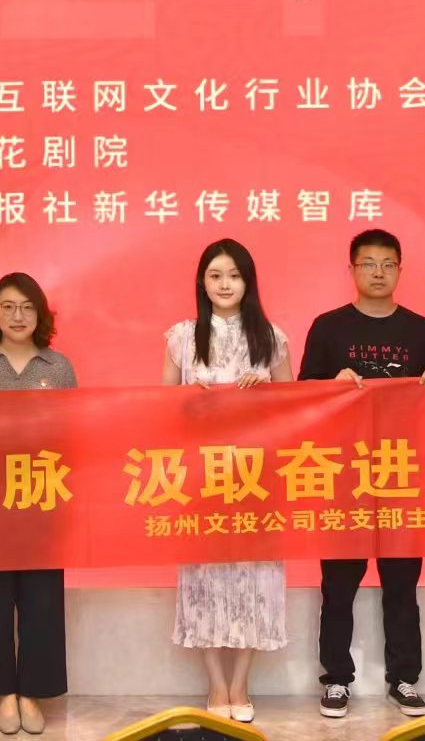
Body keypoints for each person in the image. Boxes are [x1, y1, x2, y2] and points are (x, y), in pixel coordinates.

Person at [297, 228, 425, 720]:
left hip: (402, 471)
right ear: (352, 269)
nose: (378, 272)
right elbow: (302, 396)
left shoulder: (420, 329)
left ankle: (404, 679)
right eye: (368, 263)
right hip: (344, 473)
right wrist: (330, 384)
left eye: (387, 264)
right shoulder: (328, 327)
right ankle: (336, 678)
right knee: (338, 584)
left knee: (402, 583)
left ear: (400, 270)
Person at [164, 239, 293, 723]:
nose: (225, 284)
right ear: (202, 281)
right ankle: (216, 685)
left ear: (248, 282)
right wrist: (188, 399)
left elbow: (296, 409)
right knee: (203, 578)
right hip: (200, 477)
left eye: (234, 275)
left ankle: (241, 684)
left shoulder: (272, 337)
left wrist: (268, 391)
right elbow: (158, 409)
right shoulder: (182, 337)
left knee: (256, 578)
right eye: (216, 275)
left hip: (257, 478)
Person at [0, 273, 78, 735]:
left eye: (27, 307)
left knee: (42, 598)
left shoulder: (58, 367)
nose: (17, 316)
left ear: (40, 313)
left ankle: (33, 692)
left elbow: (72, 432)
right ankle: (2, 692)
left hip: (43, 497)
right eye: (8, 306)